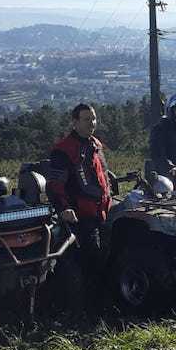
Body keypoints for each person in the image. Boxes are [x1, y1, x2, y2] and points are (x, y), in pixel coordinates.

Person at [46, 103, 111, 281]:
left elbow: (103, 176)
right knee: (87, 262)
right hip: (79, 216)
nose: (92, 123)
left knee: (106, 256)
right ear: (75, 122)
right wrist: (63, 208)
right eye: (86, 119)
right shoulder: (63, 149)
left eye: (93, 119)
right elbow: (54, 185)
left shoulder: (95, 144)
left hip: (102, 212)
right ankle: (84, 305)